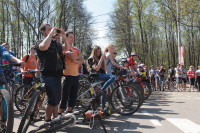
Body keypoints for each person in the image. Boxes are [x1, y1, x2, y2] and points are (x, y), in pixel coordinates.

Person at [35, 24, 70, 123]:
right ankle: (48, 121)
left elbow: (67, 49)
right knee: (52, 100)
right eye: (49, 29)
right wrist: (51, 33)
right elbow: (44, 47)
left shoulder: (56, 43)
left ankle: (54, 121)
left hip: (58, 75)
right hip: (47, 75)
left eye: (52, 29)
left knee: (56, 100)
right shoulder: (40, 42)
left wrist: (64, 37)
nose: (52, 30)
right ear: (43, 31)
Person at [58, 31, 84, 114]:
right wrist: (77, 58)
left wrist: (76, 58)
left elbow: (82, 61)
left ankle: (69, 112)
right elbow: (71, 56)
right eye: (70, 37)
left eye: (73, 37)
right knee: (64, 96)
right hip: (67, 75)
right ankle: (59, 113)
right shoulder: (64, 47)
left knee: (73, 96)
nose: (72, 39)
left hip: (76, 75)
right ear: (66, 38)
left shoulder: (76, 49)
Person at [0, 45, 25, 129]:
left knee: (3, 98)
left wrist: (18, 60)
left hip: (1, 75)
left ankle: (3, 122)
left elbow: (6, 54)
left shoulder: (1, 48)